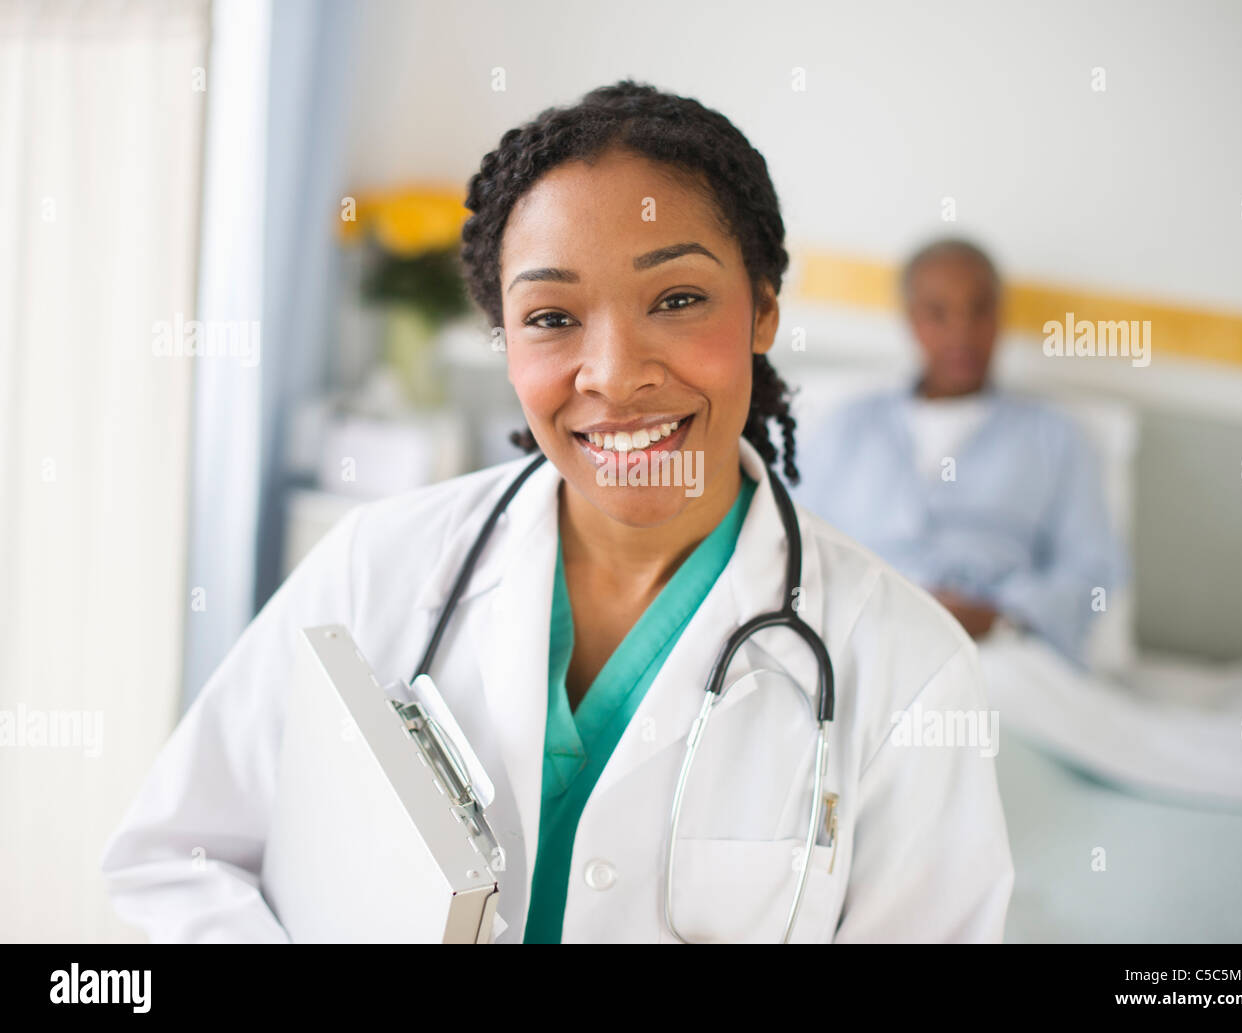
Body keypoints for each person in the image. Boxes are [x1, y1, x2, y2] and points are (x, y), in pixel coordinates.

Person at [100, 84, 1013, 943]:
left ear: (764, 308)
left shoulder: (909, 669)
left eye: (678, 299)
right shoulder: (377, 563)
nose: (614, 375)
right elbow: (178, 860)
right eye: (551, 317)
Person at [794, 238, 1126, 668]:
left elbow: (1093, 567)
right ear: (912, 320)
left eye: (979, 309)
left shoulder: (1054, 438)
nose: (961, 332)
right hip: (863, 637)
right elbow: (794, 541)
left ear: (999, 316)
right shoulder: (850, 426)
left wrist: (1002, 616)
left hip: (996, 653)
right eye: (938, 312)